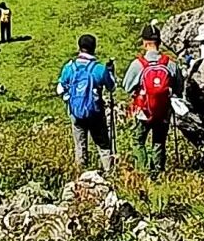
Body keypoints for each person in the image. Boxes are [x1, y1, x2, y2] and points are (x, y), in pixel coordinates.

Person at [122, 25, 180, 177]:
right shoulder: (170, 64)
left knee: (138, 140)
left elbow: (127, 86)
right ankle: (158, 173)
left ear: (144, 42)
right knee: (159, 141)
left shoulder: (138, 64)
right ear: (159, 42)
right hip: (163, 111)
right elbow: (179, 87)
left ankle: (143, 171)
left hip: (144, 111)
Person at [57, 34, 115, 173]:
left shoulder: (70, 68)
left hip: (76, 113)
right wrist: (110, 72)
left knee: (80, 146)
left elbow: (59, 89)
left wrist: (68, 98)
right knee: (103, 145)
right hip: (95, 112)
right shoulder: (99, 69)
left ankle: (81, 176)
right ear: (94, 48)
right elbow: (111, 87)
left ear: (79, 47)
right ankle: (109, 173)